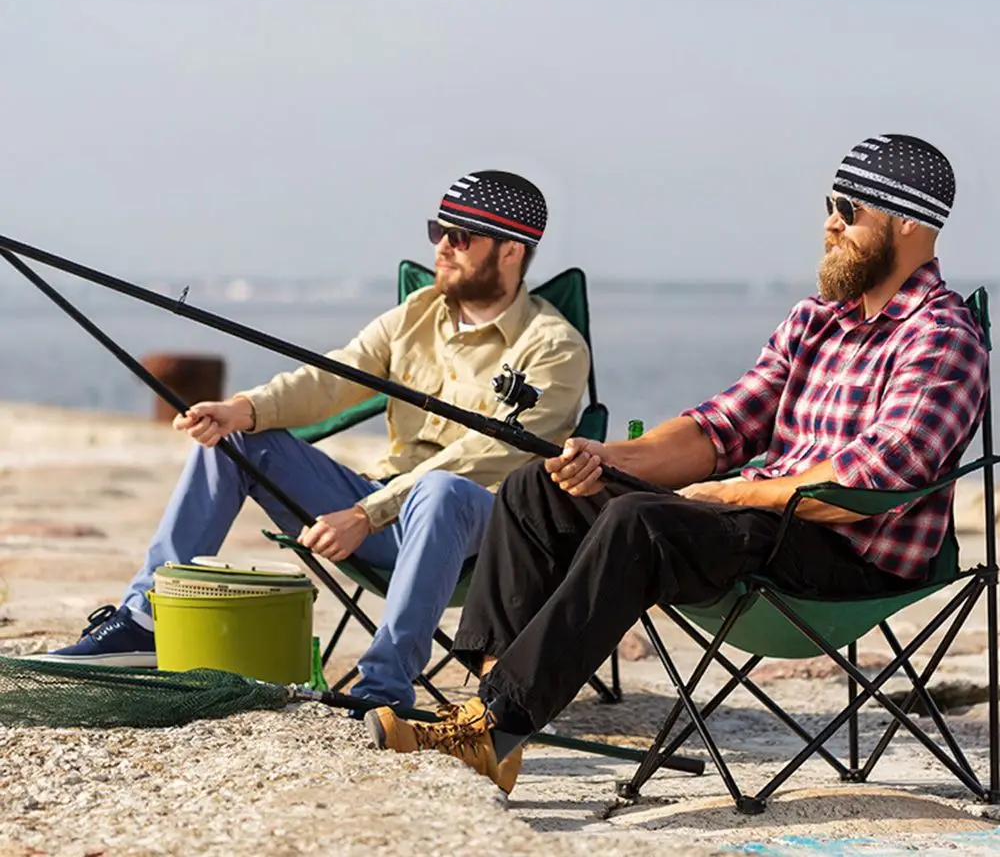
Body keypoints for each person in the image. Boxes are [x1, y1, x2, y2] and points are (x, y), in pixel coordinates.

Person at [366, 134, 989, 795]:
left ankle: (492, 728)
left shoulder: (942, 337)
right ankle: (492, 718)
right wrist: (610, 458)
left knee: (642, 523)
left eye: (849, 208)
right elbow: (721, 426)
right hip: (768, 523)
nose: (830, 222)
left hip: (850, 553)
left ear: (908, 223)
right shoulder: (816, 321)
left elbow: (874, 481)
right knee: (535, 488)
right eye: (829, 204)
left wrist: (734, 496)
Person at [40, 170, 591, 715]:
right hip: (379, 507)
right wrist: (243, 409)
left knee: (443, 490)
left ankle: (383, 689)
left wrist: (365, 512)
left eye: (461, 236)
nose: (442, 247)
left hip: (478, 529)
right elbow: (334, 376)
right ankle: (143, 620)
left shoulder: (556, 347)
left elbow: (490, 454)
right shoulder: (416, 314)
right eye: (438, 230)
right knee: (236, 441)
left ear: (513, 251)